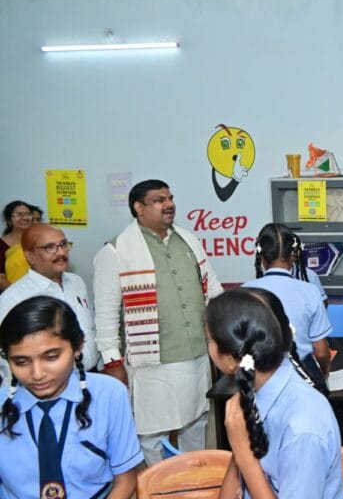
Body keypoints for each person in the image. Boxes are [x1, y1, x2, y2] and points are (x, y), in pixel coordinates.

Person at [93, 179, 223, 465]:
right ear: (139, 208)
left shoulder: (189, 240)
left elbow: (212, 289)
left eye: (170, 198)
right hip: (152, 359)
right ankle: (158, 485)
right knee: (152, 431)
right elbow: (105, 314)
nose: (169, 204)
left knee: (197, 420)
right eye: (159, 200)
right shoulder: (115, 251)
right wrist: (113, 362)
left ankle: (195, 480)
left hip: (197, 354)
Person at [206, 288, 343, 498]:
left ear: (230, 358)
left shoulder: (303, 427)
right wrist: (240, 455)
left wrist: (244, 455)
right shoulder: (254, 394)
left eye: (209, 340)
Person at [0, 296, 143, 498]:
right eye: (21, 362)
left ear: (77, 348)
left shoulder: (109, 395)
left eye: (51, 357)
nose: (37, 373)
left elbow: (126, 479)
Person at [0, 224, 99, 386]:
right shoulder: (14, 298)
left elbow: (89, 329)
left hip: (89, 378)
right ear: (30, 256)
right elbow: (7, 357)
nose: (60, 252)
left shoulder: (77, 282)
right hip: (43, 388)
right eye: (49, 247)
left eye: (63, 245)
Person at [242, 223, 331, 393]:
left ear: (261, 256)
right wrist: (324, 372)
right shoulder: (310, 291)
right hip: (302, 375)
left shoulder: (245, 291)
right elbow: (321, 352)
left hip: (260, 377)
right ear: (293, 255)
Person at [0, 201, 33, 292]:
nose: (24, 218)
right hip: (12, 295)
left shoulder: (40, 239)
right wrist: (21, 293)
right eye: (18, 214)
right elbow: (1, 280)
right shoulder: (2, 245)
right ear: (9, 220)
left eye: (28, 214)